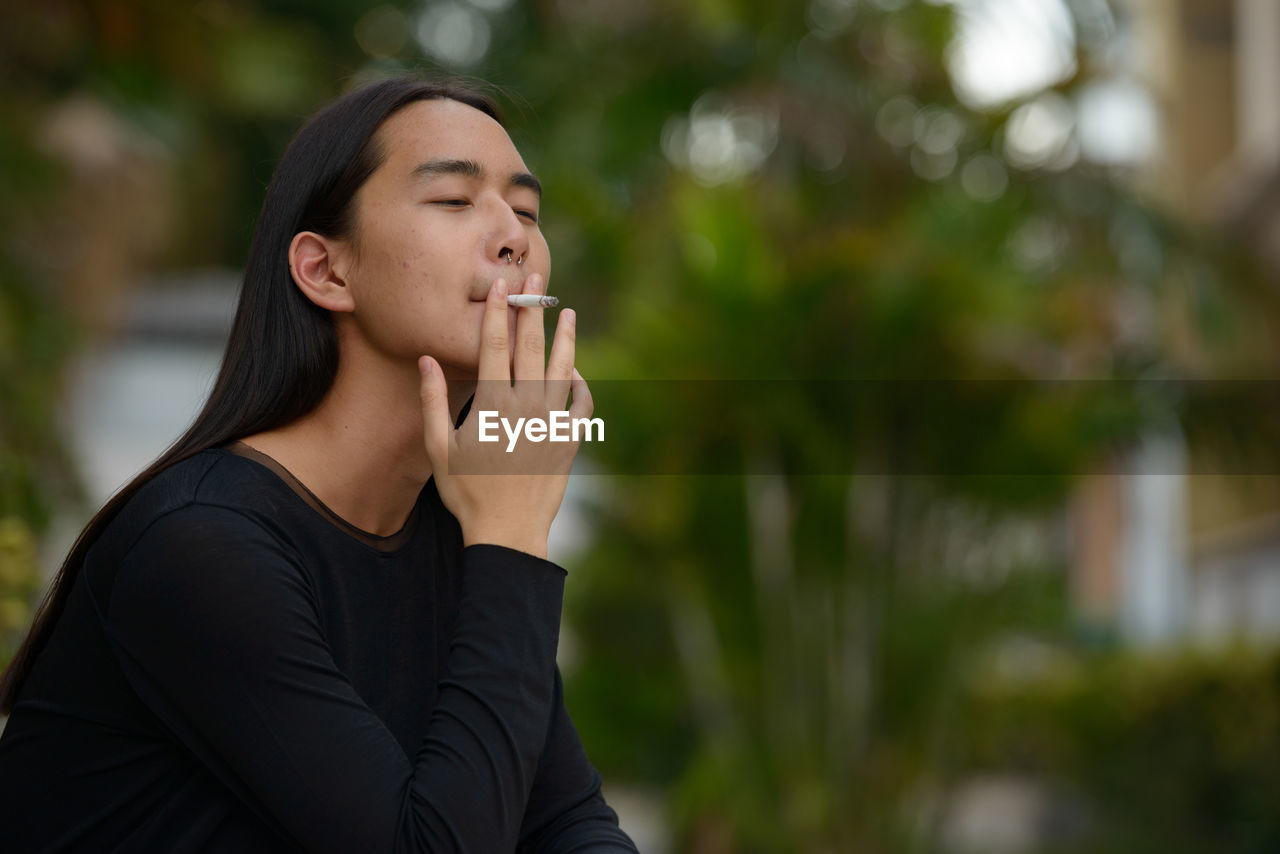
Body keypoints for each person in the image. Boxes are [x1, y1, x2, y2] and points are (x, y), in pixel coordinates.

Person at [0, 75, 638, 853]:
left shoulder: (449, 536)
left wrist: (496, 544)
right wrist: (510, 542)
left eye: (528, 211)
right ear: (325, 271)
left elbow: (565, 823)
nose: (514, 236)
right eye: (454, 200)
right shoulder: (199, 547)